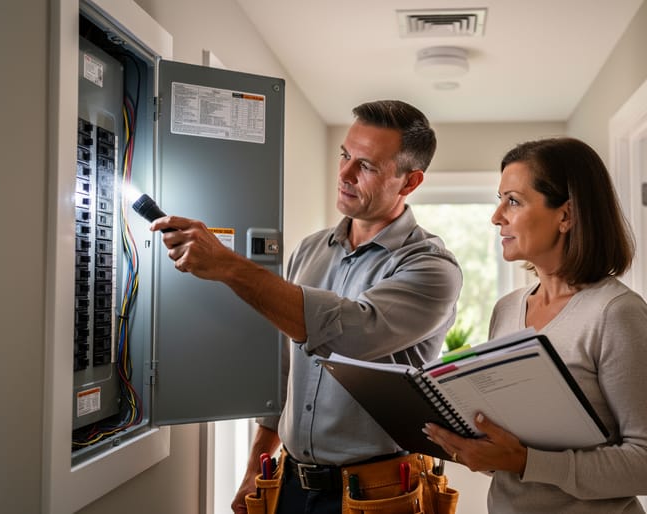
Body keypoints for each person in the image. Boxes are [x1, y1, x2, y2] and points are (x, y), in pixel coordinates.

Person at [149, 99, 462, 514]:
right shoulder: (312, 250)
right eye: (345, 156)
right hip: (290, 486)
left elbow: (345, 334)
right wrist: (253, 471)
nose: (345, 175)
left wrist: (227, 265)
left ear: (409, 182)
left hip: (382, 495)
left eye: (366, 166)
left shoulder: (430, 268)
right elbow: (284, 371)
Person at [423, 138, 647, 513]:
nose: (497, 216)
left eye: (513, 200)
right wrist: (481, 451)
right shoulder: (507, 310)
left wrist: (526, 461)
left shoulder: (616, 315)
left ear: (566, 215)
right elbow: (518, 457)